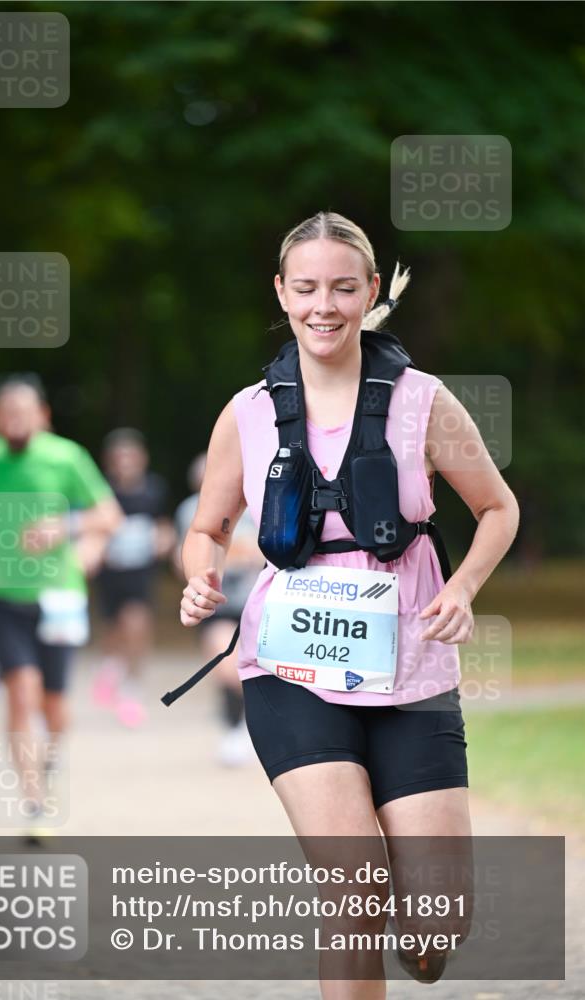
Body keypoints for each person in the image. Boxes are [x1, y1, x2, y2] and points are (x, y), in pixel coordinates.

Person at [175, 212, 520, 998]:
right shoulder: (249, 411)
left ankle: (423, 943)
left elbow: (497, 508)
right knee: (355, 887)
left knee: (437, 922)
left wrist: (461, 588)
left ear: (369, 292)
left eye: (340, 287)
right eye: (305, 288)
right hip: (289, 668)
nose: (322, 306)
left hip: (410, 669)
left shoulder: (423, 402)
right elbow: (208, 527)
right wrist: (199, 576)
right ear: (281, 293)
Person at [0, 373, 122, 830]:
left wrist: (68, 530)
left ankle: (45, 765)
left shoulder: (66, 457)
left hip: (59, 596)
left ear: (43, 416)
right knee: (20, 691)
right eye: (6, 413)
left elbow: (109, 516)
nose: (15, 421)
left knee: (55, 707)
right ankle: (34, 801)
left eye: (24, 412)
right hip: (0, 592)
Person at [174, 453, 264, 766]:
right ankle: (234, 726)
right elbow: (186, 556)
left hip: (259, 602)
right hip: (219, 603)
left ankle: (247, 727)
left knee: (258, 666)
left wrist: (238, 554)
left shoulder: (258, 504)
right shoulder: (190, 511)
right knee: (226, 664)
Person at [91, 428, 175, 728]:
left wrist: (164, 539)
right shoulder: (101, 491)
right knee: (114, 633)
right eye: (119, 458)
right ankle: (112, 669)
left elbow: (163, 524)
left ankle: (132, 687)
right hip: (111, 575)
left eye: (131, 457)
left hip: (141, 573)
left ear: (142, 459)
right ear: (110, 462)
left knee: (137, 624)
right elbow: (93, 527)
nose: (125, 463)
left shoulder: (154, 489)